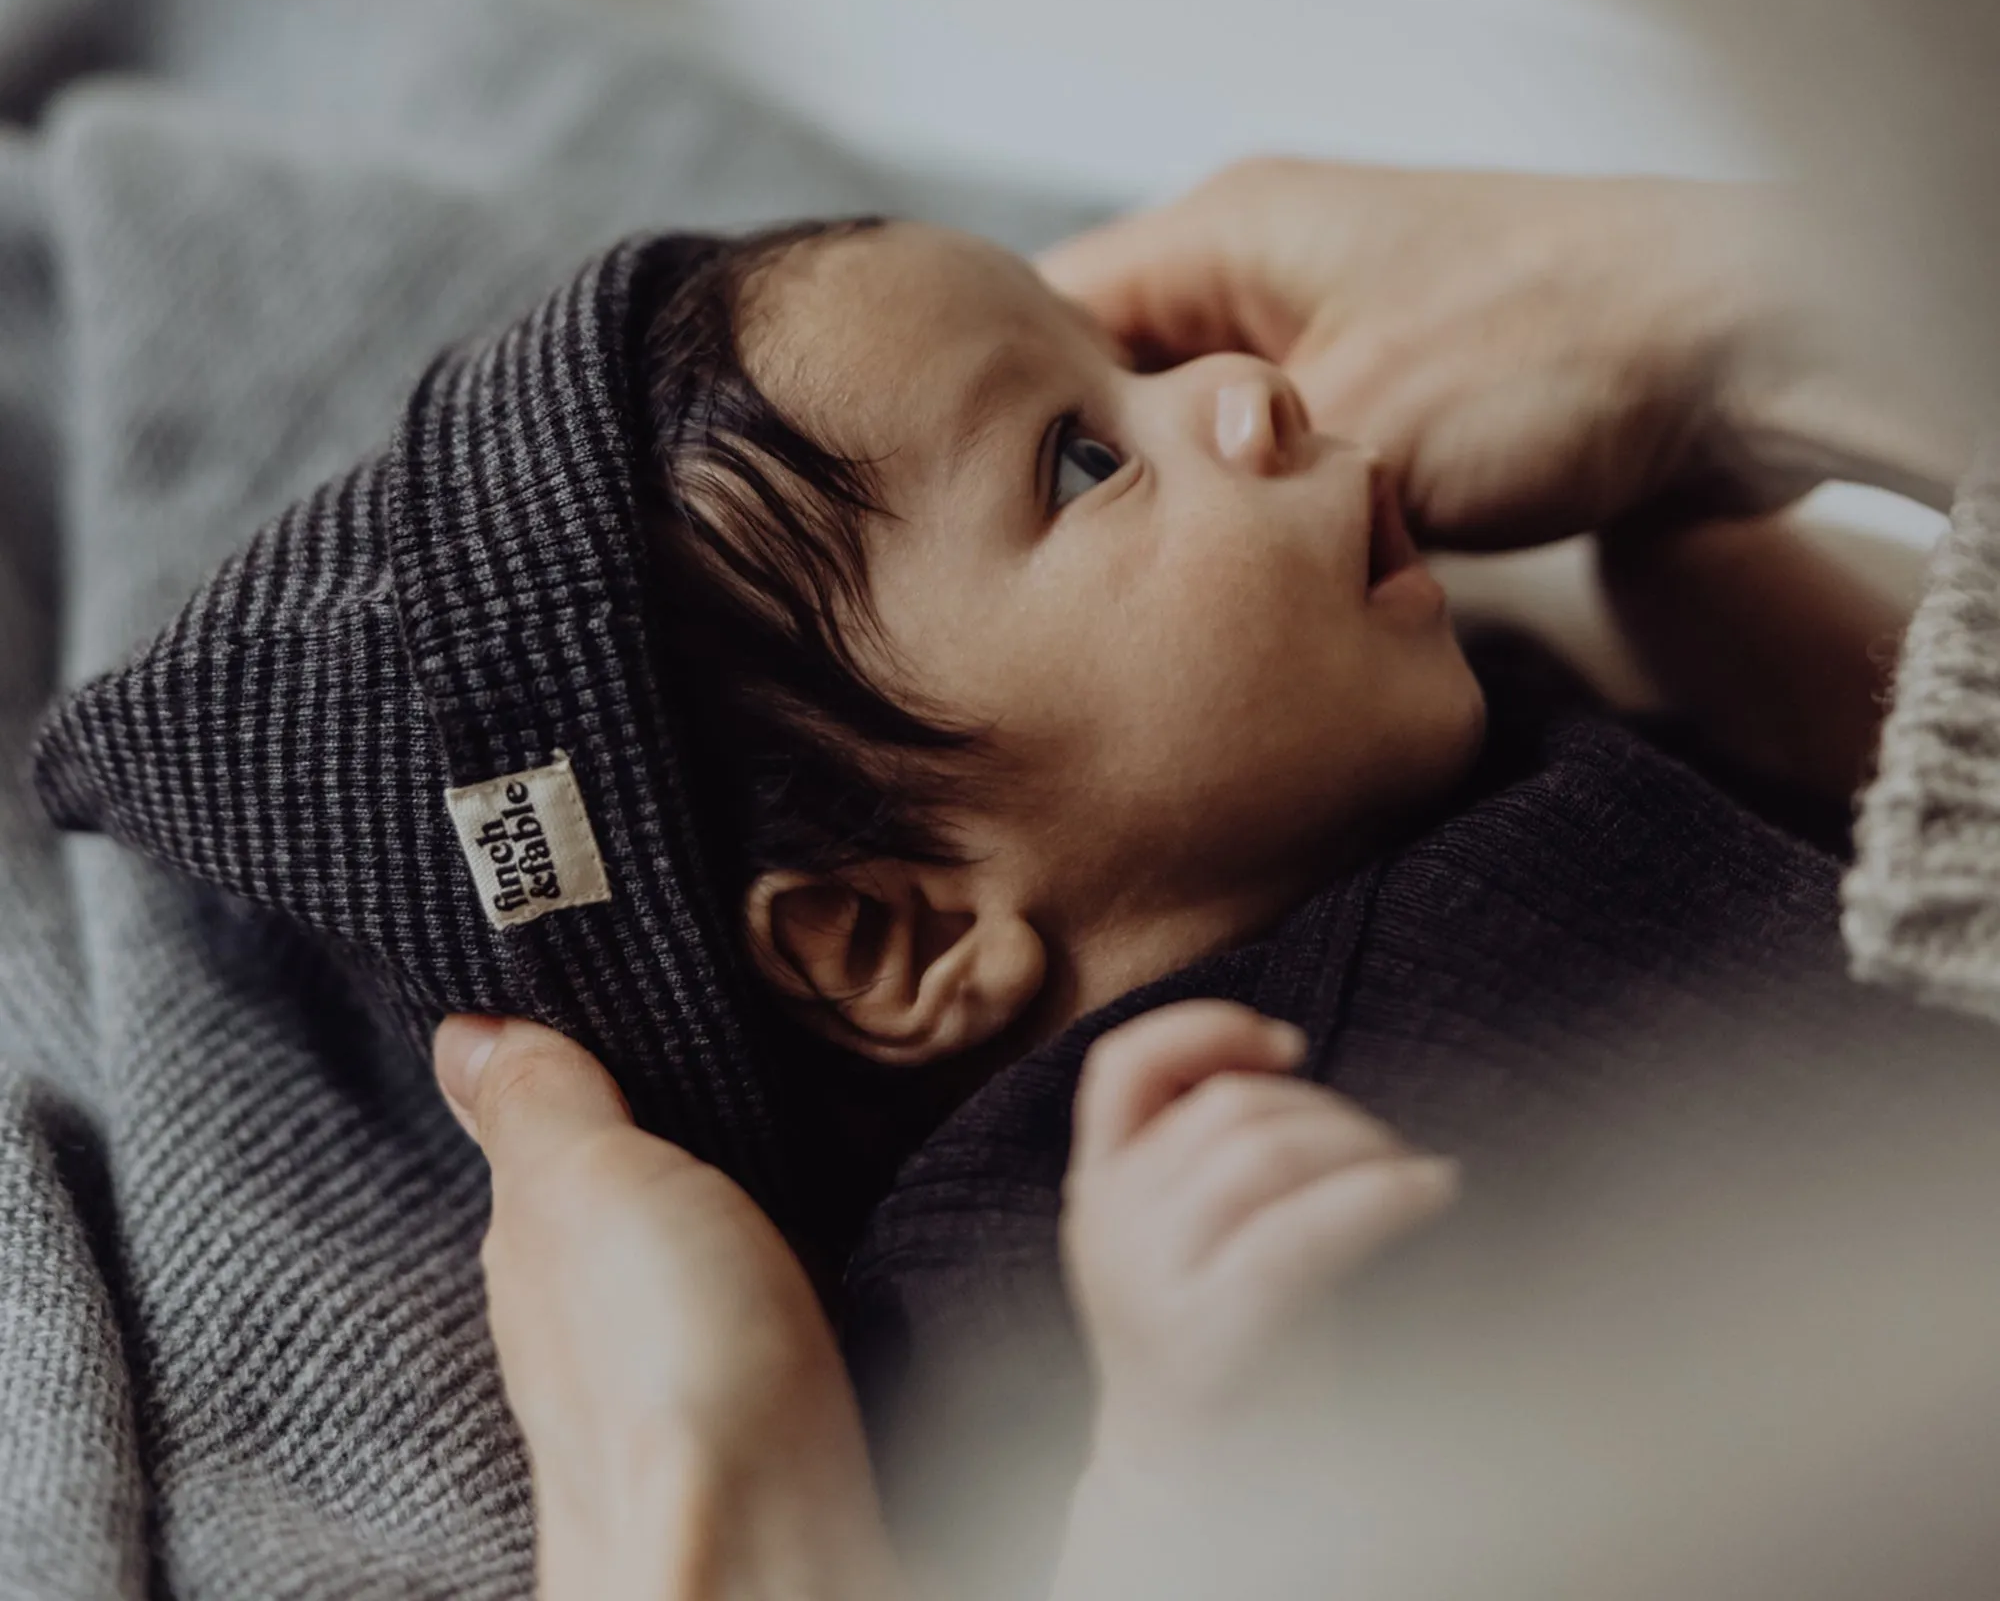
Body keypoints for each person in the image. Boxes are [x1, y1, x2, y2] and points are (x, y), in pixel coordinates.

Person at [421, 157, 1987, 1598]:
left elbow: (1904, 876)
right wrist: (1179, 1483)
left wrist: (1721, 559)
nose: (1251, 389)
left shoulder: (1500, 731)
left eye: (1145, 372)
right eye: (1089, 456)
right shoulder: (1057, 1244)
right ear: (903, 929)